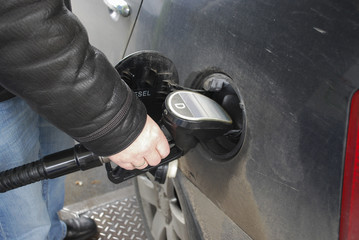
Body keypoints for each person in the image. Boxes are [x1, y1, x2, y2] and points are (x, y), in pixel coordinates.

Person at [0, 1, 170, 239]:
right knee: (20, 213)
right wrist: (117, 125)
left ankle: (52, 232)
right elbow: (16, 15)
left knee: (48, 180)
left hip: (42, 77)